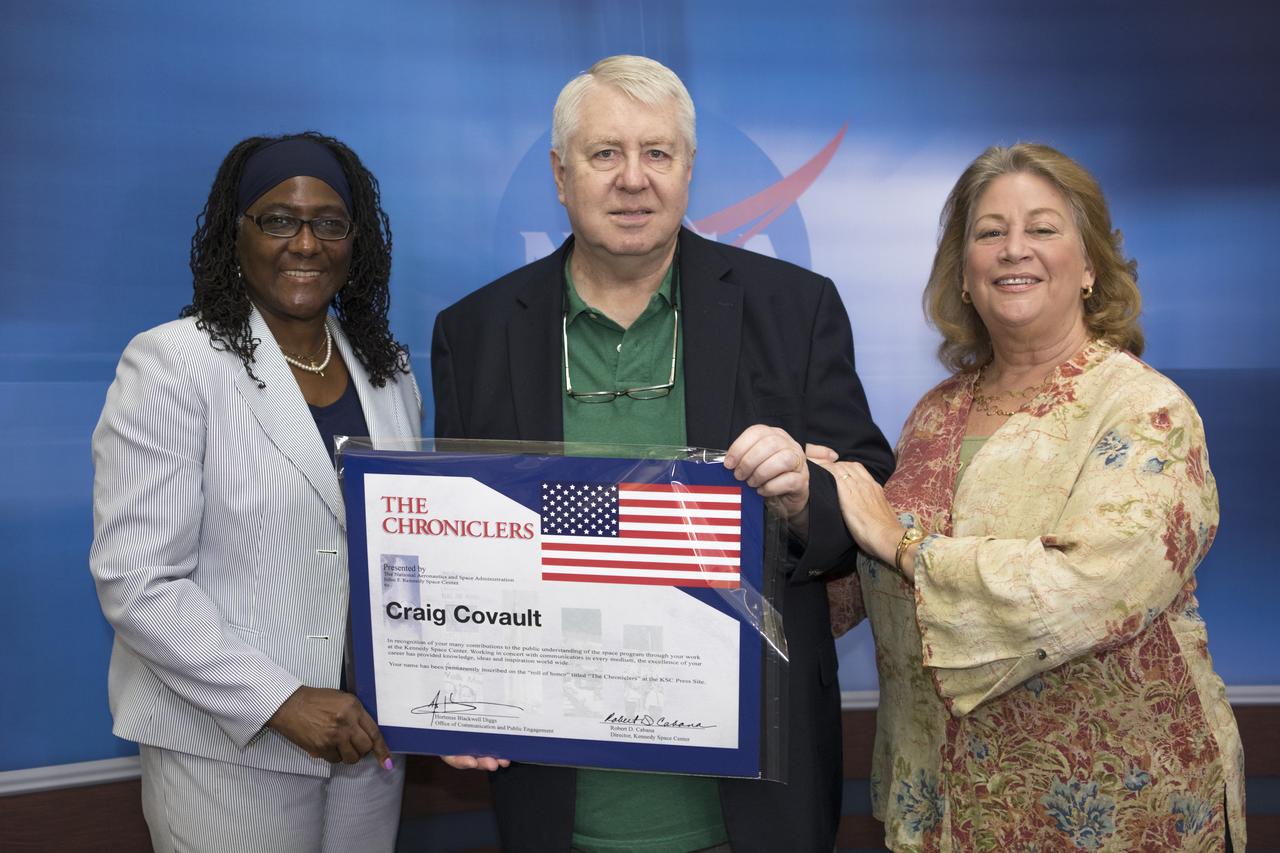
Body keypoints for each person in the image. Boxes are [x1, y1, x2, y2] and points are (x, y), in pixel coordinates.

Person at [431, 55, 893, 853]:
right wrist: (455, 693)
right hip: (559, 789)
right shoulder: (474, 333)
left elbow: (860, 506)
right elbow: (455, 541)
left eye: (658, 153)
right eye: (605, 153)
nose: (633, 179)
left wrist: (799, 495)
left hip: (754, 788)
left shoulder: (795, 309)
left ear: (688, 169)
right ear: (560, 173)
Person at [814, 143, 1245, 851]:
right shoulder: (933, 414)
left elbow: (1093, 587)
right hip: (946, 812)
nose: (1015, 249)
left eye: (1043, 228)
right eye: (989, 232)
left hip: (1117, 815)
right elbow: (880, 582)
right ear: (963, 274)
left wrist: (900, 542)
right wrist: (813, 505)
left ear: (1090, 266)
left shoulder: (1145, 410)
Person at [90, 132, 421, 853]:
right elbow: (137, 581)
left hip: (369, 747)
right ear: (234, 234)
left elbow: (408, 547)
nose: (305, 243)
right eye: (279, 219)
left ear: (355, 240)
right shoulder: (174, 364)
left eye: (329, 222)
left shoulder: (388, 370)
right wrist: (282, 702)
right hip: (226, 754)